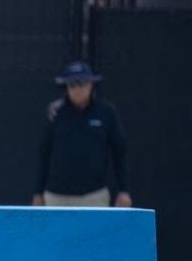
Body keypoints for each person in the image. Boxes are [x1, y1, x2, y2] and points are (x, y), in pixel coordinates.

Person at [34, 61, 131, 208]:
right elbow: (44, 154)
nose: (77, 89)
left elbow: (120, 153)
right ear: (66, 87)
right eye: (72, 84)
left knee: (96, 232)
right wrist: (38, 193)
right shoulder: (54, 113)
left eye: (82, 83)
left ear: (91, 85)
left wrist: (124, 190)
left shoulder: (106, 113)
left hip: (94, 196)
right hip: (56, 197)